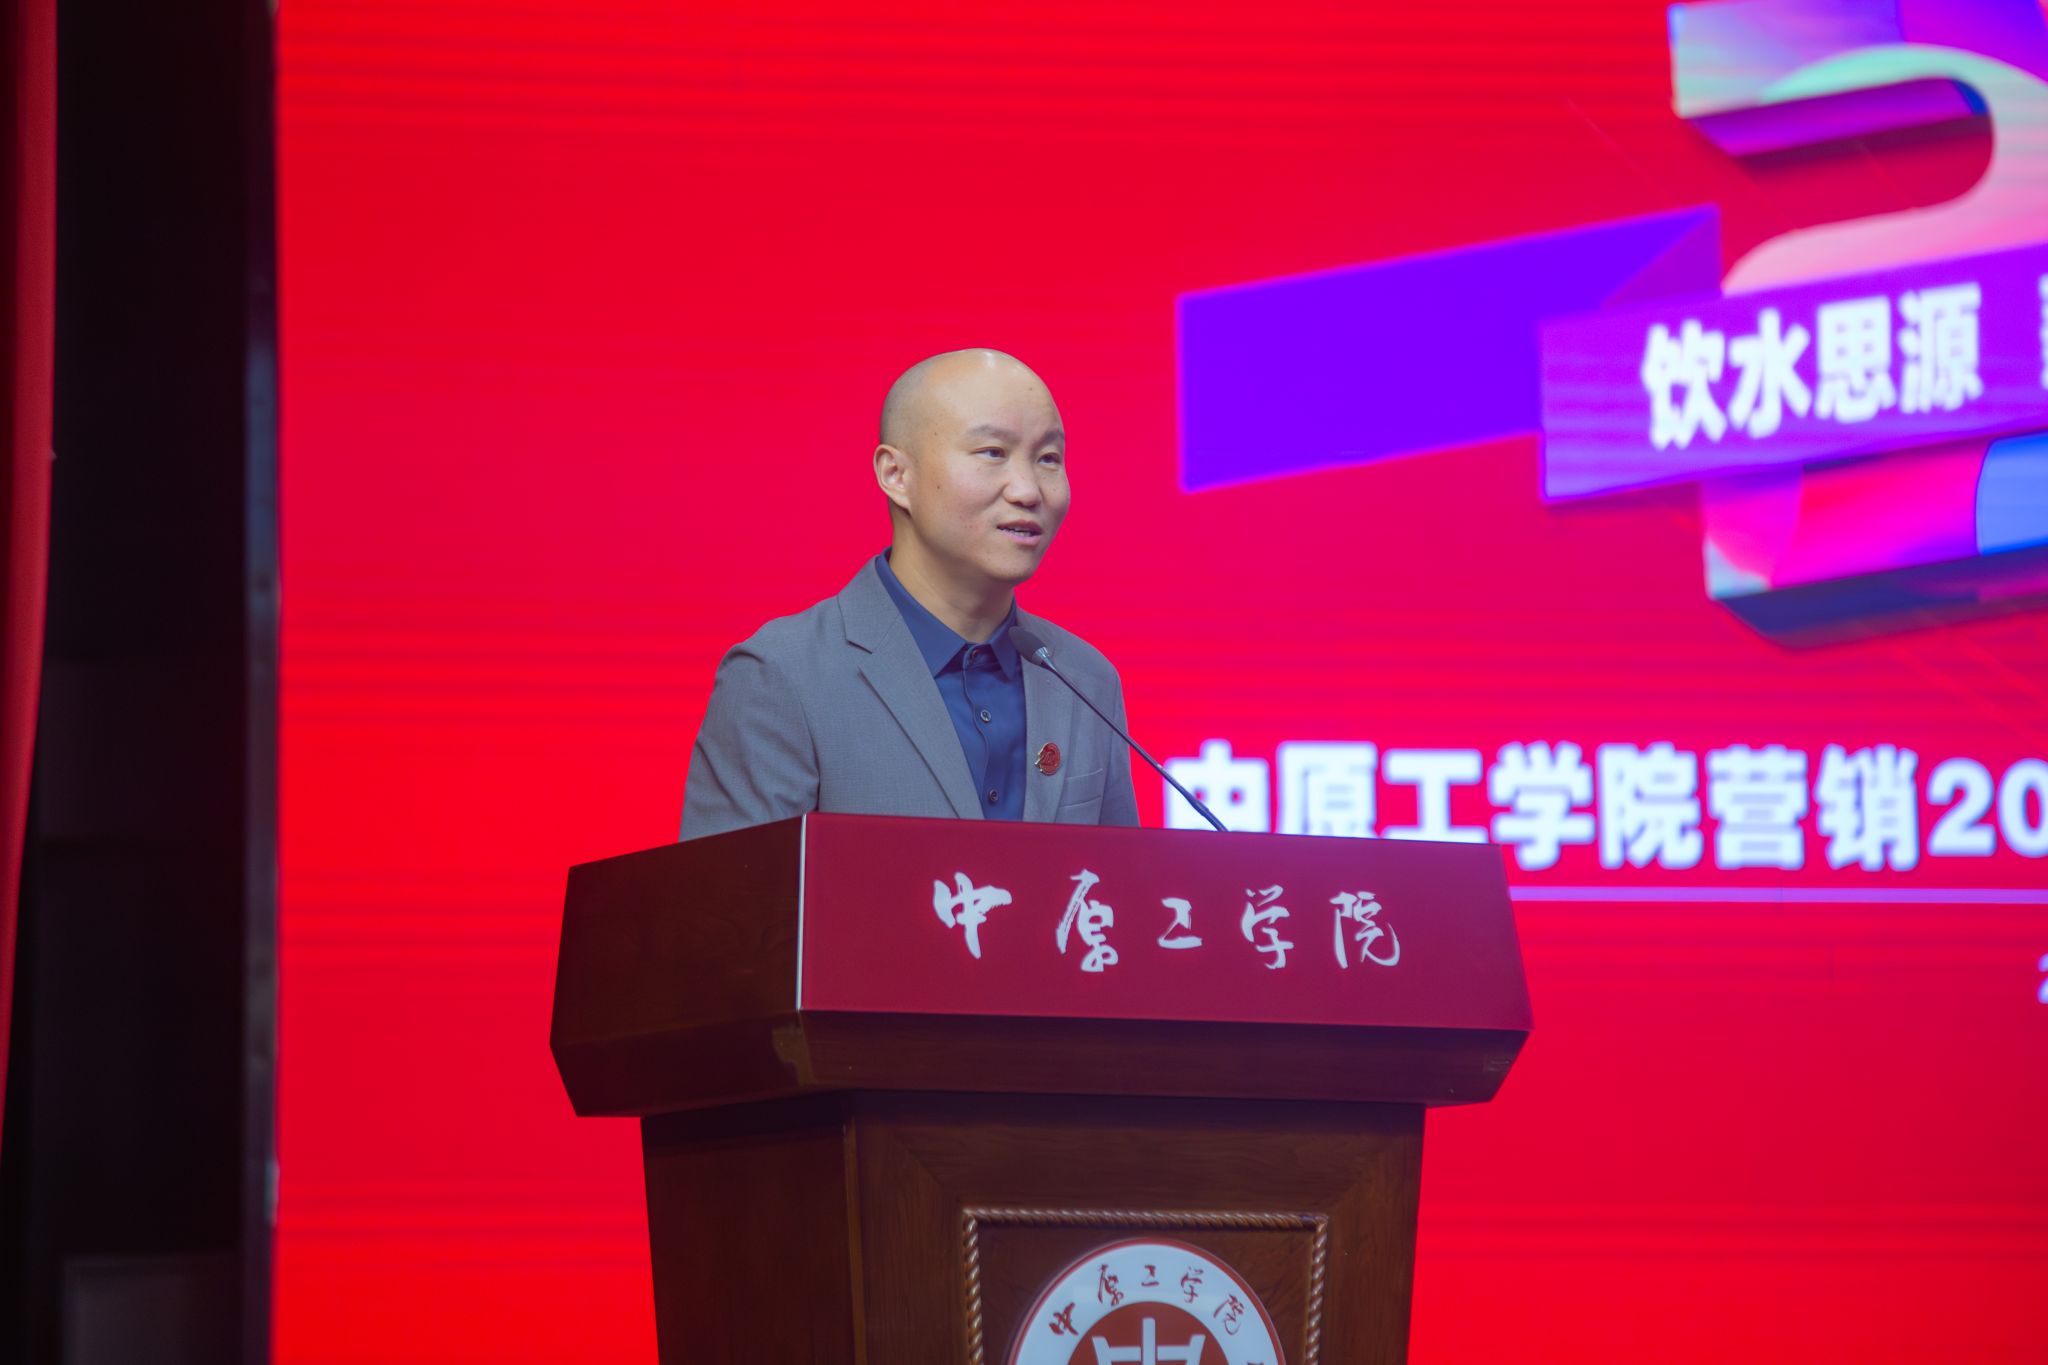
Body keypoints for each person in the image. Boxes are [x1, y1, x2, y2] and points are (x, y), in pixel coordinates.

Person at [680, 348, 1140, 839]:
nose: (1028, 490)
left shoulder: (1085, 679)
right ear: (896, 475)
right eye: (993, 453)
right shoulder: (782, 677)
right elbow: (731, 889)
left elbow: (1116, 883)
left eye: (1048, 459)